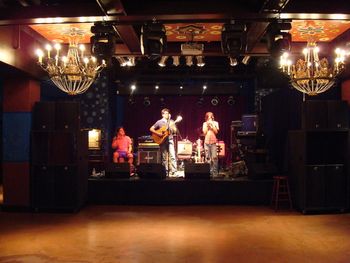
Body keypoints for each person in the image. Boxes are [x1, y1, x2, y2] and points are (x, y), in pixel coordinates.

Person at [150, 108, 178, 177]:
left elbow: (175, 131)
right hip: (162, 141)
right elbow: (151, 128)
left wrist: (173, 127)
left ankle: (174, 171)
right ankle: (164, 172)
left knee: (172, 156)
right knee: (164, 157)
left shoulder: (171, 121)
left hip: (170, 139)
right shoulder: (159, 122)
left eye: (168, 113)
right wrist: (158, 133)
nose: (167, 114)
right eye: (166, 113)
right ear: (162, 115)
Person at [202, 112, 219, 177]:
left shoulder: (216, 123)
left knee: (214, 158)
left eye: (211, 116)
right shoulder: (204, 123)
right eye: (208, 116)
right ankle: (209, 173)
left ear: (212, 116)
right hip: (206, 142)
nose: (209, 117)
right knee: (208, 158)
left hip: (213, 142)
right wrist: (207, 125)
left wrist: (212, 126)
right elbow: (204, 132)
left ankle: (215, 173)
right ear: (206, 117)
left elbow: (216, 132)